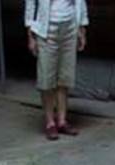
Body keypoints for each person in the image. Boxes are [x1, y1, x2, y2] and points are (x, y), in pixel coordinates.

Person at [24, 0, 88, 141]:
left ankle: (62, 121)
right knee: (47, 78)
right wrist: (30, 36)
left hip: (70, 28)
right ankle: (50, 123)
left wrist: (82, 30)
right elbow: (30, 5)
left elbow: (81, 2)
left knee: (64, 77)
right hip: (46, 30)